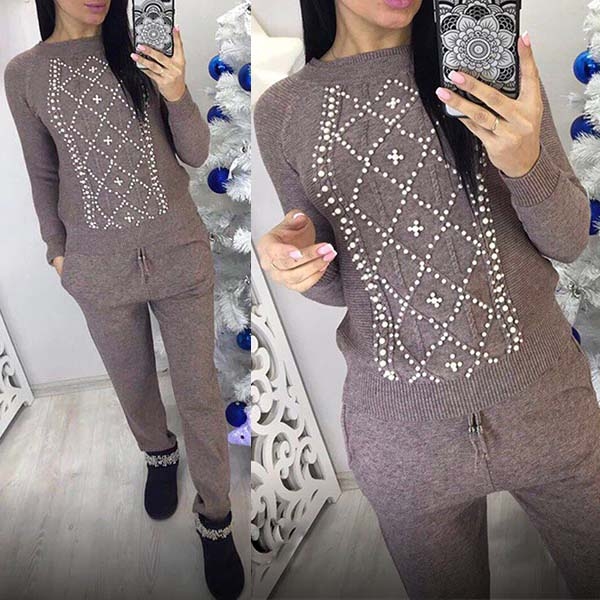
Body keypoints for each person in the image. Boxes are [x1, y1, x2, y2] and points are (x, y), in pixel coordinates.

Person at [254, 0, 600, 597]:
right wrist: (297, 263)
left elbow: (569, 241)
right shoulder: (284, 111)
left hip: (549, 412)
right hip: (403, 445)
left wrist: (526, 166)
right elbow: (341, 286)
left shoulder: (489, 69)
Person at [4, 1, 244, 597]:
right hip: (97, 266)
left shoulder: (143, 51)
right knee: (133, 380)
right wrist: (57, 252)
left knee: (199, 391)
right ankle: (159, 454)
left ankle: (216, 518)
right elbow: (42, 173)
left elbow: (196, 153)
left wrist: (176, 90)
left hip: (178, 252)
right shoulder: (25, 73)